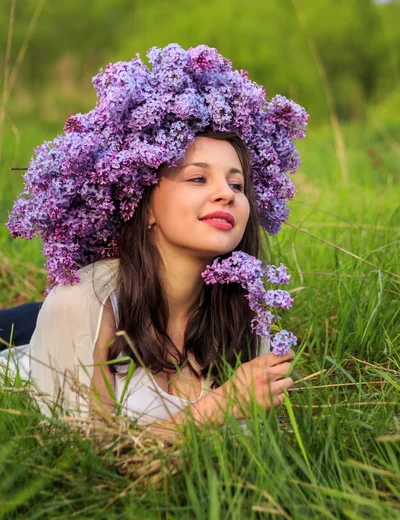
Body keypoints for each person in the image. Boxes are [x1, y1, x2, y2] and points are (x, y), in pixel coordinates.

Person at [3, 43, 308, 433]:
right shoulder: (82, 305)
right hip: (34, 337)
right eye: (197, 178)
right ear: (143, 205)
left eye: (237, 183)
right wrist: (222, 403)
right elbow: (91, 469)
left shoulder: (247, 315)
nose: (227, 194)